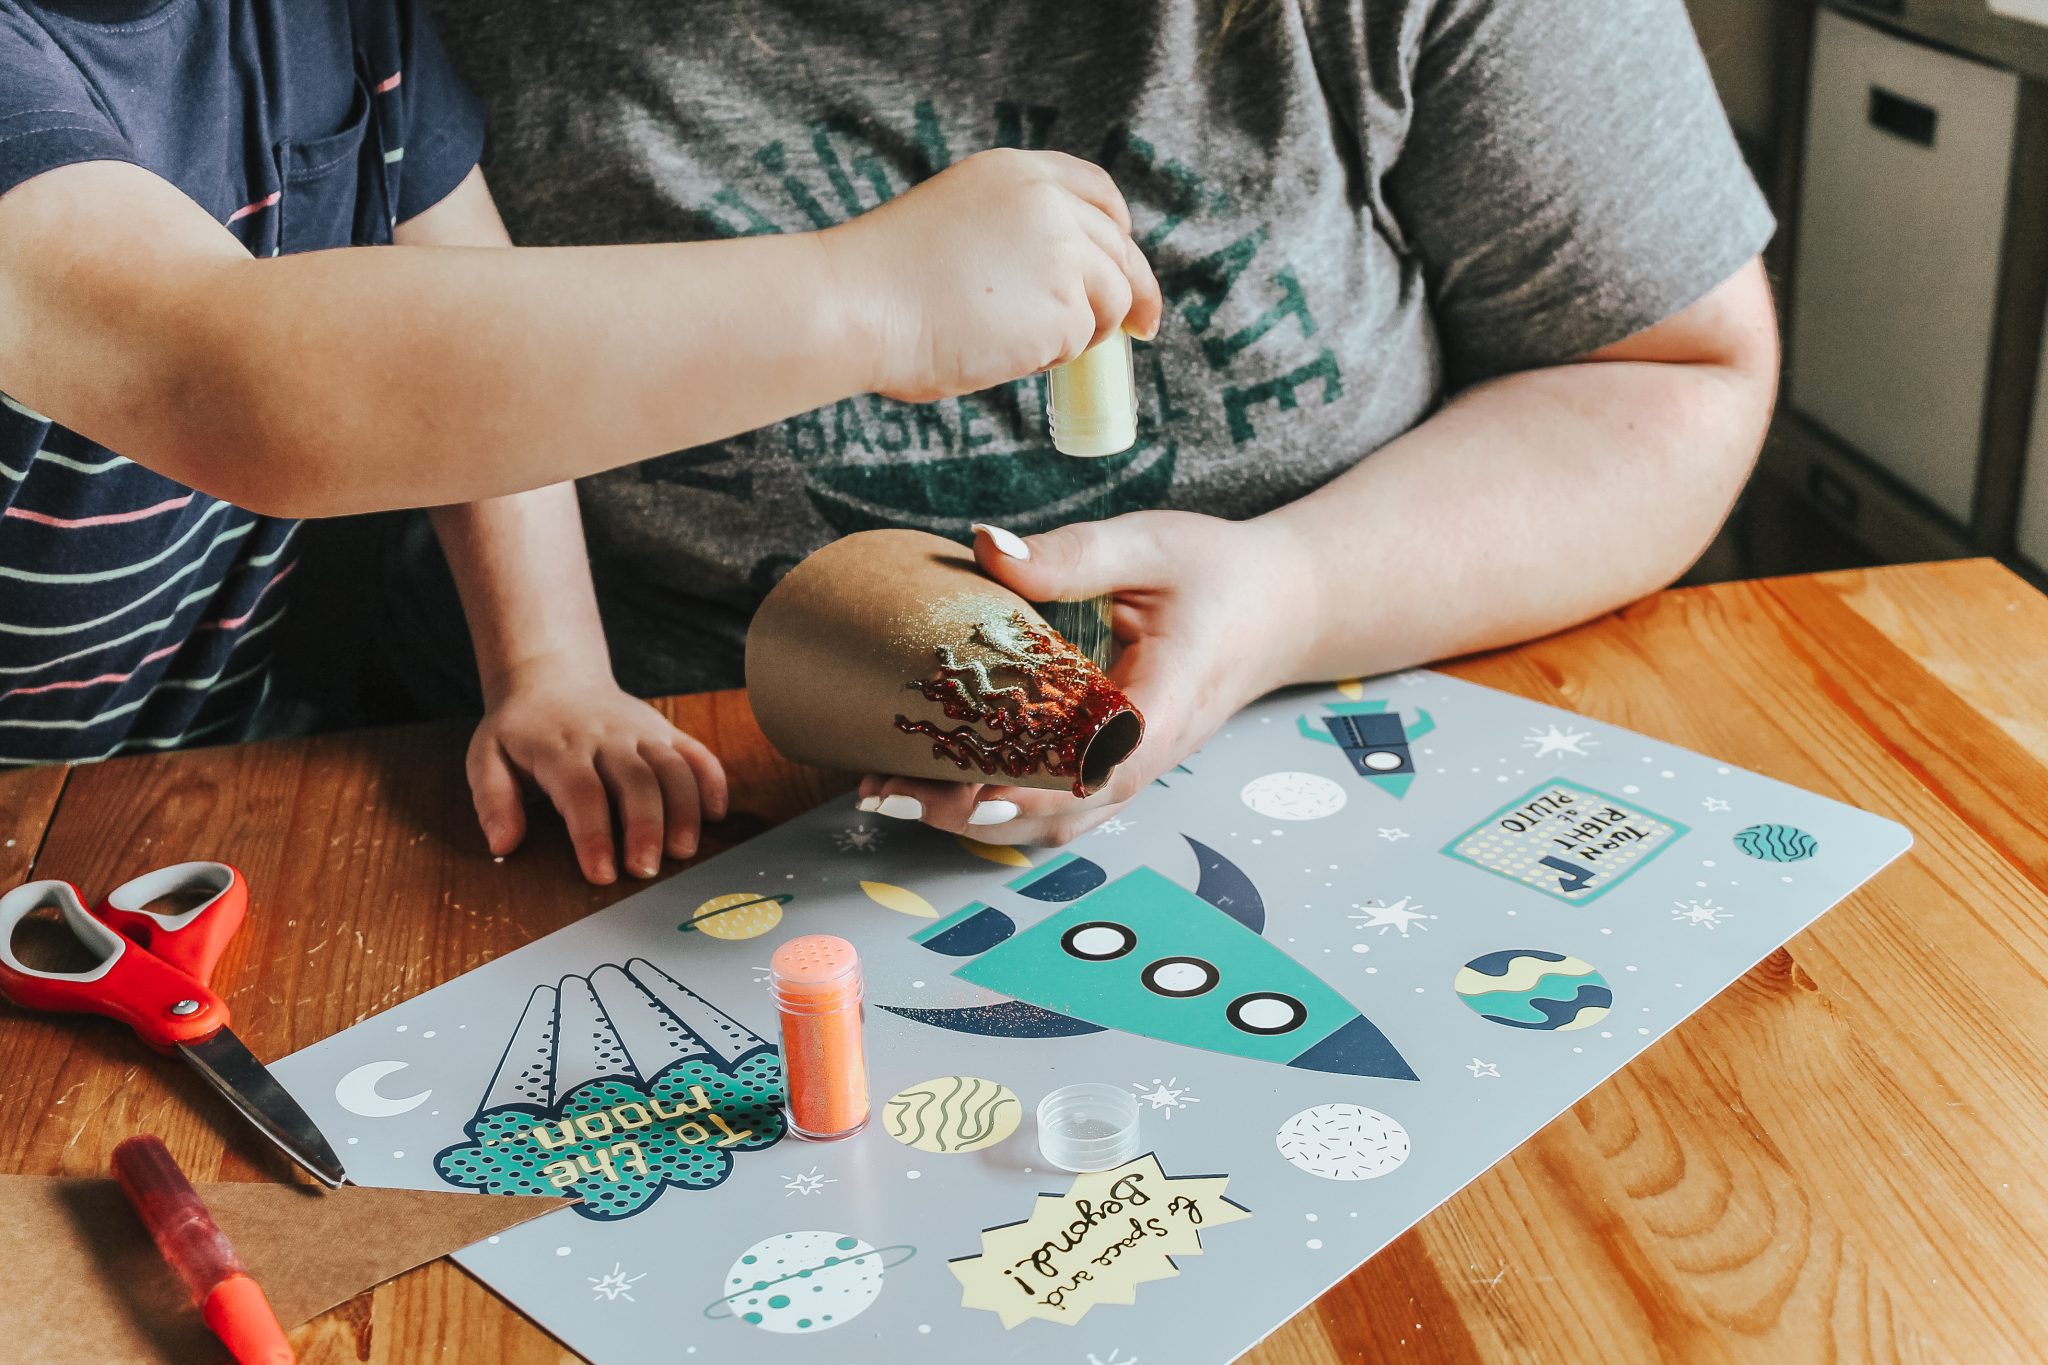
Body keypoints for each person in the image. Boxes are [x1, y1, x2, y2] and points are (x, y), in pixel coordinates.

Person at [420, 0, 1780, 847]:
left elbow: (1669, 372)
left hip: (1356, 727)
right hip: (702, 791)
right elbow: (431, 338)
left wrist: (1293, 593)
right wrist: (545, 658)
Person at [0, 1, 1160, 881]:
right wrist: (867, 298)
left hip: (176, 771)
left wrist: (547, 665)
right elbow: (224, 377)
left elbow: (469, 340)